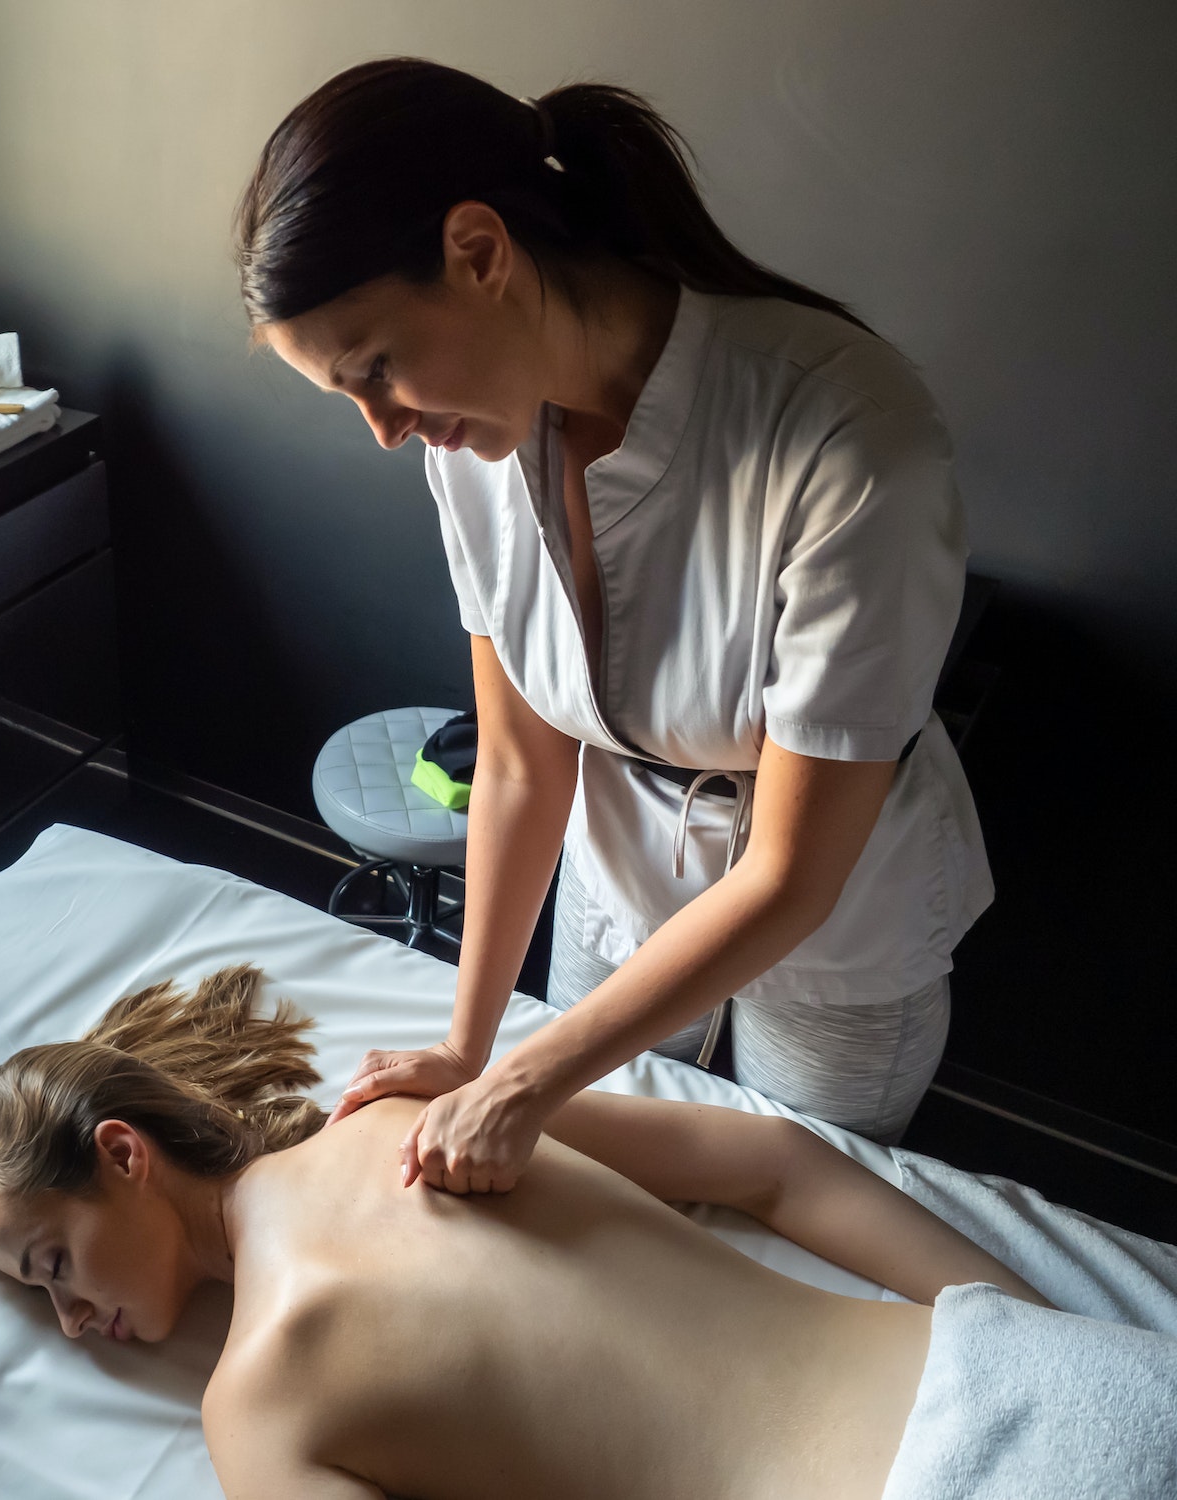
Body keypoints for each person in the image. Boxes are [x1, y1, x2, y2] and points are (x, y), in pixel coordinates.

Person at [235, 58, 993, 1180]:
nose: (383, 430)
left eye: (376, 372)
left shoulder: (847, 435)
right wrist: (467, 1045)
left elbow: (789, 869)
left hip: (830, 928)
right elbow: (515, 764)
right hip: (614, 871)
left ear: (479, 252)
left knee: (780, 1225)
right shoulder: (474, 437)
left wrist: (526, 1079)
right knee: (587, 1193)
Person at [0, 968, 1177, 1499]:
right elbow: (777, 1169)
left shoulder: (252, 1404)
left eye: (50, 1264)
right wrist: (1029, 1328)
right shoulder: (435, 1122)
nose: (71, 1319)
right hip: (1066, 1384)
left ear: (121, 1155)